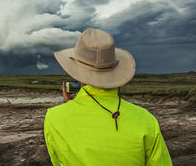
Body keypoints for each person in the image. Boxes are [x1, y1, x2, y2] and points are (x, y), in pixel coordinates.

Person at [44, 28, 172, 166]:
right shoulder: (146, 120)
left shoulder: (54, 118)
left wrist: (68, 109)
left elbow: (58, 161)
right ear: (116, 73)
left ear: (78, 75)